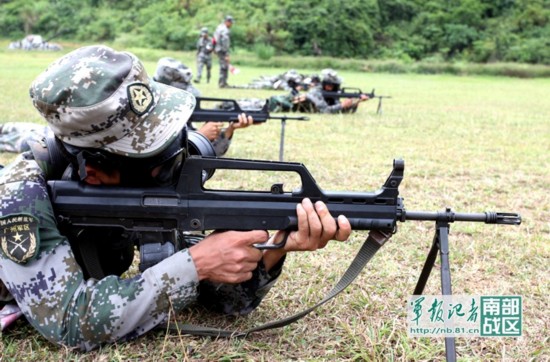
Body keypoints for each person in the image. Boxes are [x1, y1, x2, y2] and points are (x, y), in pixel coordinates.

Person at [0, 45, 368, 350]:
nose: (174, 165)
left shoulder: (128, 190)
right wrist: (194, 264)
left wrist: (270, 249)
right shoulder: (19, 196)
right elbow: (70, 322)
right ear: (94, 173)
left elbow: (222, 299)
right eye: (155, 160)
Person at [153, 56, 253, 156]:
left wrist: (229, 130)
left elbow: (204, 155)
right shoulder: (150, 119)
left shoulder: (179, 115)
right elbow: (164, 159)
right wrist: (199, 135)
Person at [293, 69, 369, 114]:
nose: (331, 87)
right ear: (325, 84)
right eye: (329, 85)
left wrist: (356, 102)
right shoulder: (315, 93)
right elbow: (326, 111)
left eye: (334, 86)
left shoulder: (331, 95)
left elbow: (339, 111)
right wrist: (342, 105)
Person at [213, 15, 233, 88]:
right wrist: (227, 54)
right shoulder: (225, 30)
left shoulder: (219, 27)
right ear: (227, 22)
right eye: (231, 23)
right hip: (223, 50)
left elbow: (214, 39)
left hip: (218, 49)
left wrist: (214, 48)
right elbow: (225, 42)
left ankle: (223, 82)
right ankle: (222, 83)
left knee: (223, 66)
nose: (231, 24)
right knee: (224, 67)